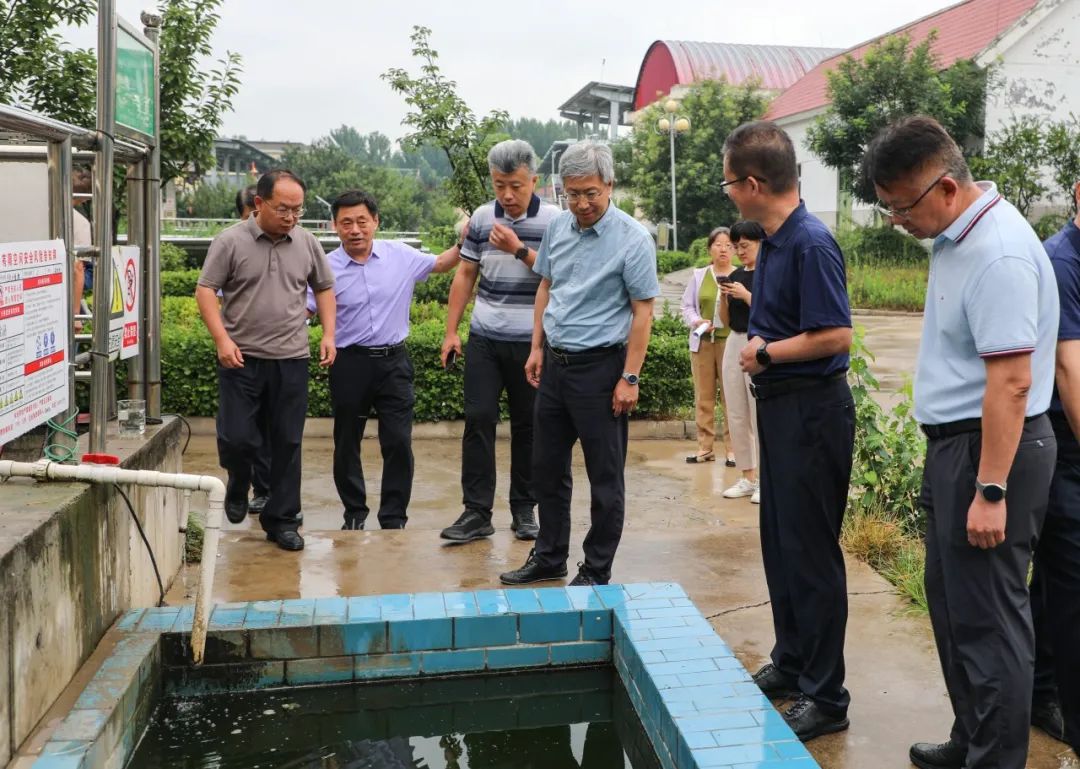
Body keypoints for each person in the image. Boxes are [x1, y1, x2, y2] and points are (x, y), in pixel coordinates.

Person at [862, 115, 1059, 769]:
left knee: (989, 623)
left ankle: (994, 758)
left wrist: (991, 489)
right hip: (958, 446)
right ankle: (973, 738)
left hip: (992, 451)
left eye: (900, 206)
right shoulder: (955, 236)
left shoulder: (997, 253)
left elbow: (1011, 381)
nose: (897, 220)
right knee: (954, 609)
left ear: (945, 187)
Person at [723, 121, 855, 741]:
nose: (728, 192)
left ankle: (826, 697)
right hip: (780, 409)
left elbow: (837, 334)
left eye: (729, 182)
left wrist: (768, 353)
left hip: (812, 412)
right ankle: (793, 660)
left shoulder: (810, 243)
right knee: (780, 543)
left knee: (811, 553)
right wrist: (761, 341)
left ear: (753, 184)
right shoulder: (773, 243)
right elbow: (775, 319)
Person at [499, 140, 660, 587]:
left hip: (601, 371)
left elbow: (643, 312)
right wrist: (536, 348)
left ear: (609, 185)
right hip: (555, 366)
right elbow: (546, 286)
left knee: (605, 479)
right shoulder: (559, 227)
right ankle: (550, 556)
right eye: (572, 194)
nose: (582, 203)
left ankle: (596, 569)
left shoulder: (633, 238)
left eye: (591, 193)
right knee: (546, 470)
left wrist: (630, 377)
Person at [196, 169, 337, 552]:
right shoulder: (230, 241)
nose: (291, 217)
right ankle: (239, 480)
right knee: (237, 437)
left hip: (291, 359)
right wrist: (222, 340)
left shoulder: (306, 242)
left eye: (297, 210)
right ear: (259, 203)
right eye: (283, 209)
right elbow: (206, 290)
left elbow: (324, 287)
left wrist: (328, 334)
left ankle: (283, 520)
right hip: (240, 359)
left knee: (287, 442)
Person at [313, 189, 460, 531]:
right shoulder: (325, 268)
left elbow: (440, 264)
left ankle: (394, 517)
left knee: (398, 441)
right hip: (349, 364)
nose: (355, 230)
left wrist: (466, 240)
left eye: (362, 221)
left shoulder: (399, 255)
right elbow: (304, 307)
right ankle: (354, 512)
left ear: (375, 221)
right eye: (346, 223)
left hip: (394, 363)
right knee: (347, 440)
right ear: (335, 226)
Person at [439, 139, 560, 543]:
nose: (507, 195)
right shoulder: (480, 218)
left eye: (516, 186)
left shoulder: (555, 221)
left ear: (534, 181)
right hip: (485, 338)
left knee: (529, 426)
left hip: (532, 343)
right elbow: (465, 275)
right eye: (499, 185)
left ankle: (524, 508)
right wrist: (451, 331)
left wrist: (519, 249)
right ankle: (476, 512)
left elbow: (559, 275)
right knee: (478, 418)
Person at [1031, 177, 1080, 758]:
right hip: (1066, 445)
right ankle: (1057, 698)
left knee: (1053, 584)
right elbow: (1069, 372)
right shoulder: (1061, 260)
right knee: (1069, 585)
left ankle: (1041, 690)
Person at [679, 227, 737, 467]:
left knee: (732, 398)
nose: (723, 249)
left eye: (728, 245)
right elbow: (687, 306)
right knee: (704, 397)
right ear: (709, 249)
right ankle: (705, 448)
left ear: (735, 249)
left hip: (730, 344)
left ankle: (734, 450)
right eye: (718, 245)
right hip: (703, 343)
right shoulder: (699, 275)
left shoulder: (740, 276)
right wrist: (696, 321)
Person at [719, 220, 765, 503]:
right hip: (734, 340)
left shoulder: (768, 273)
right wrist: (724, 298)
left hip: (757, 341)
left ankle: (765, 480)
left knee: (759, 412)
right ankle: (747, 476)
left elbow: (771, 311)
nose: (740, 251)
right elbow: (725, 320)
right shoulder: (735, 275)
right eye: (737, 247)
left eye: (745, 246)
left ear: (760, 243)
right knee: (736, 411)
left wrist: (746, 295)